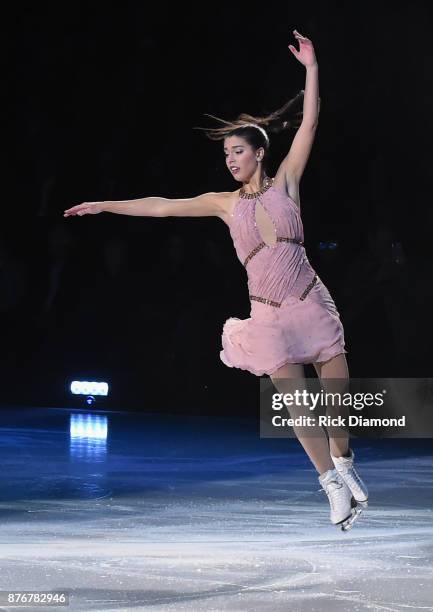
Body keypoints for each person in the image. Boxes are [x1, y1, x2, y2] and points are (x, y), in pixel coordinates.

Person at [63, 30, 368, 531]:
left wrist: (311, 69)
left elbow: (310, 122)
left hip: (311, 302)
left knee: (337, 409)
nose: (230, 159)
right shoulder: (225, 204)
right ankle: (331, 488)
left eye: (237, 152)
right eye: (226, 153)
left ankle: (345, 461)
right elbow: (162, 205)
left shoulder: (288, 180)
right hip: (268, 316)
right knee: (297, 412)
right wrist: (106, 204)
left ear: (259, 154)